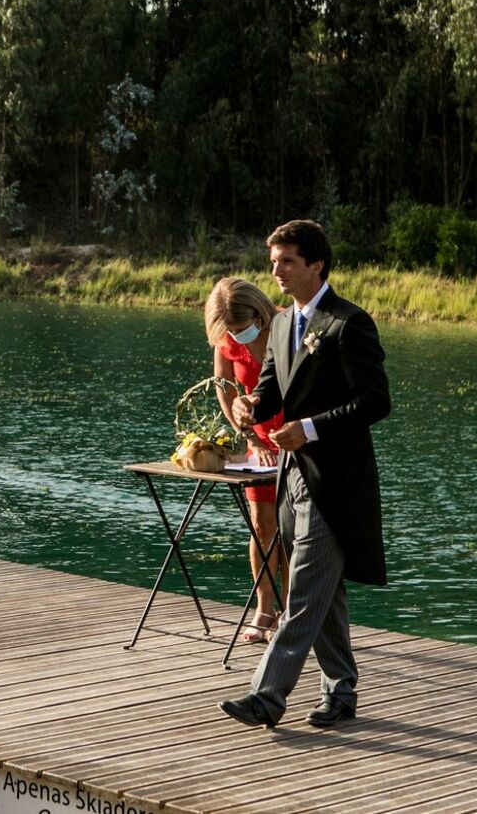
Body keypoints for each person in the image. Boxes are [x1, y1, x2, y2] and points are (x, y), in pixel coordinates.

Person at [219, 219, 390, 730]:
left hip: (336, 481)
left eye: (287, 261)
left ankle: (268, 695)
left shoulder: (349, 323)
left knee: (305, 588)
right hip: (291, 475)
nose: (277, 271)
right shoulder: (281, 323)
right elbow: (272, 388)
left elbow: (376, 403)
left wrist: (310, 429)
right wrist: (251, 405)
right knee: (325, 592)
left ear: (316, 264)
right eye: (273, 262)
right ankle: (340, 689)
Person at [204, 277, 287, 644]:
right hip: (258, 440)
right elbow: (225, 387)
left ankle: (292, 612)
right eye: (230, 330)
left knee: (293, 527)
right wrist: (249, 436)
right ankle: (264, 608)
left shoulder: (287, 325)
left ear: (258, 311)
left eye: (242, 328)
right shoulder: (226, 337)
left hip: (296, 435)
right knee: (261, 523)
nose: (237, 335)